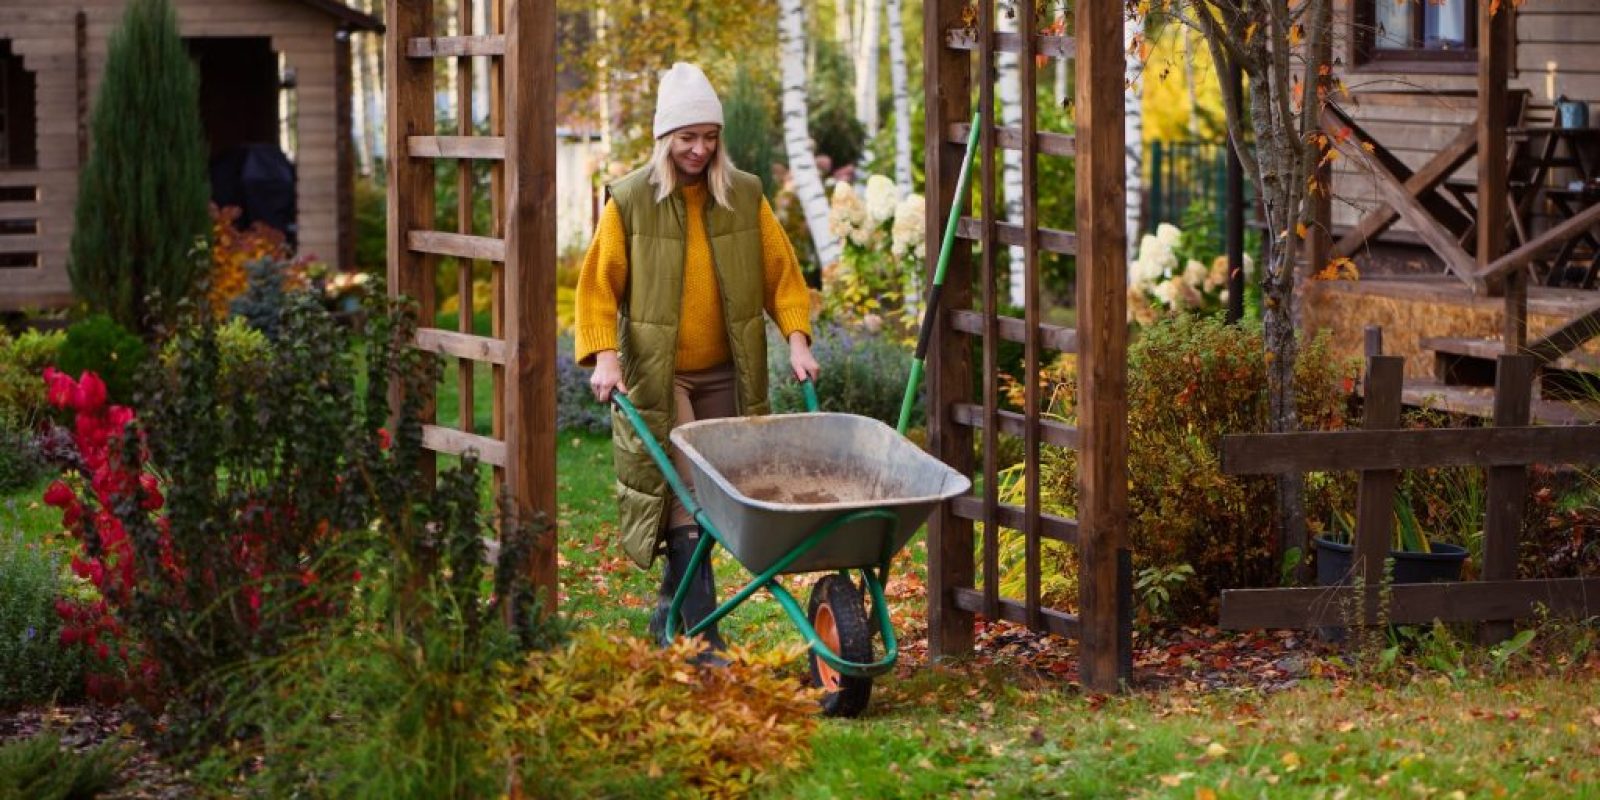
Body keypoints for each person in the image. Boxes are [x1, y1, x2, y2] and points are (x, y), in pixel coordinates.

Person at [575, 62, 819, 652]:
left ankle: (671, 613)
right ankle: (705, 643)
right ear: (665, 138)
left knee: (714, 498)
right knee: (692, 492)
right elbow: (597, 287)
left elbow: (782, 274)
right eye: (687, 137)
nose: (699, 149)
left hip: (728, 370)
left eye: (709, 137)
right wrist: (605, 358)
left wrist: (797, 339)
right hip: (664, 376)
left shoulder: (743, 196)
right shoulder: (631, 200)